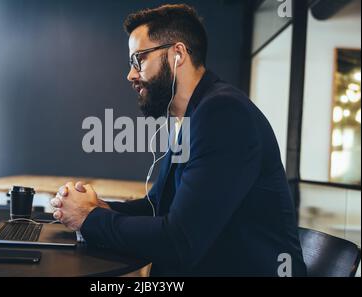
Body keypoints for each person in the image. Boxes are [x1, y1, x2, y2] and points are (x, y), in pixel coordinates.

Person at [51, 4, 307, 276]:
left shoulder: (223, 114)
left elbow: (179, 240)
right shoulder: (191, 117)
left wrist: (89, 218)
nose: (131, 74)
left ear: (178, 54)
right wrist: (97, 207)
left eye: (139, 59)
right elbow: (157, 207)